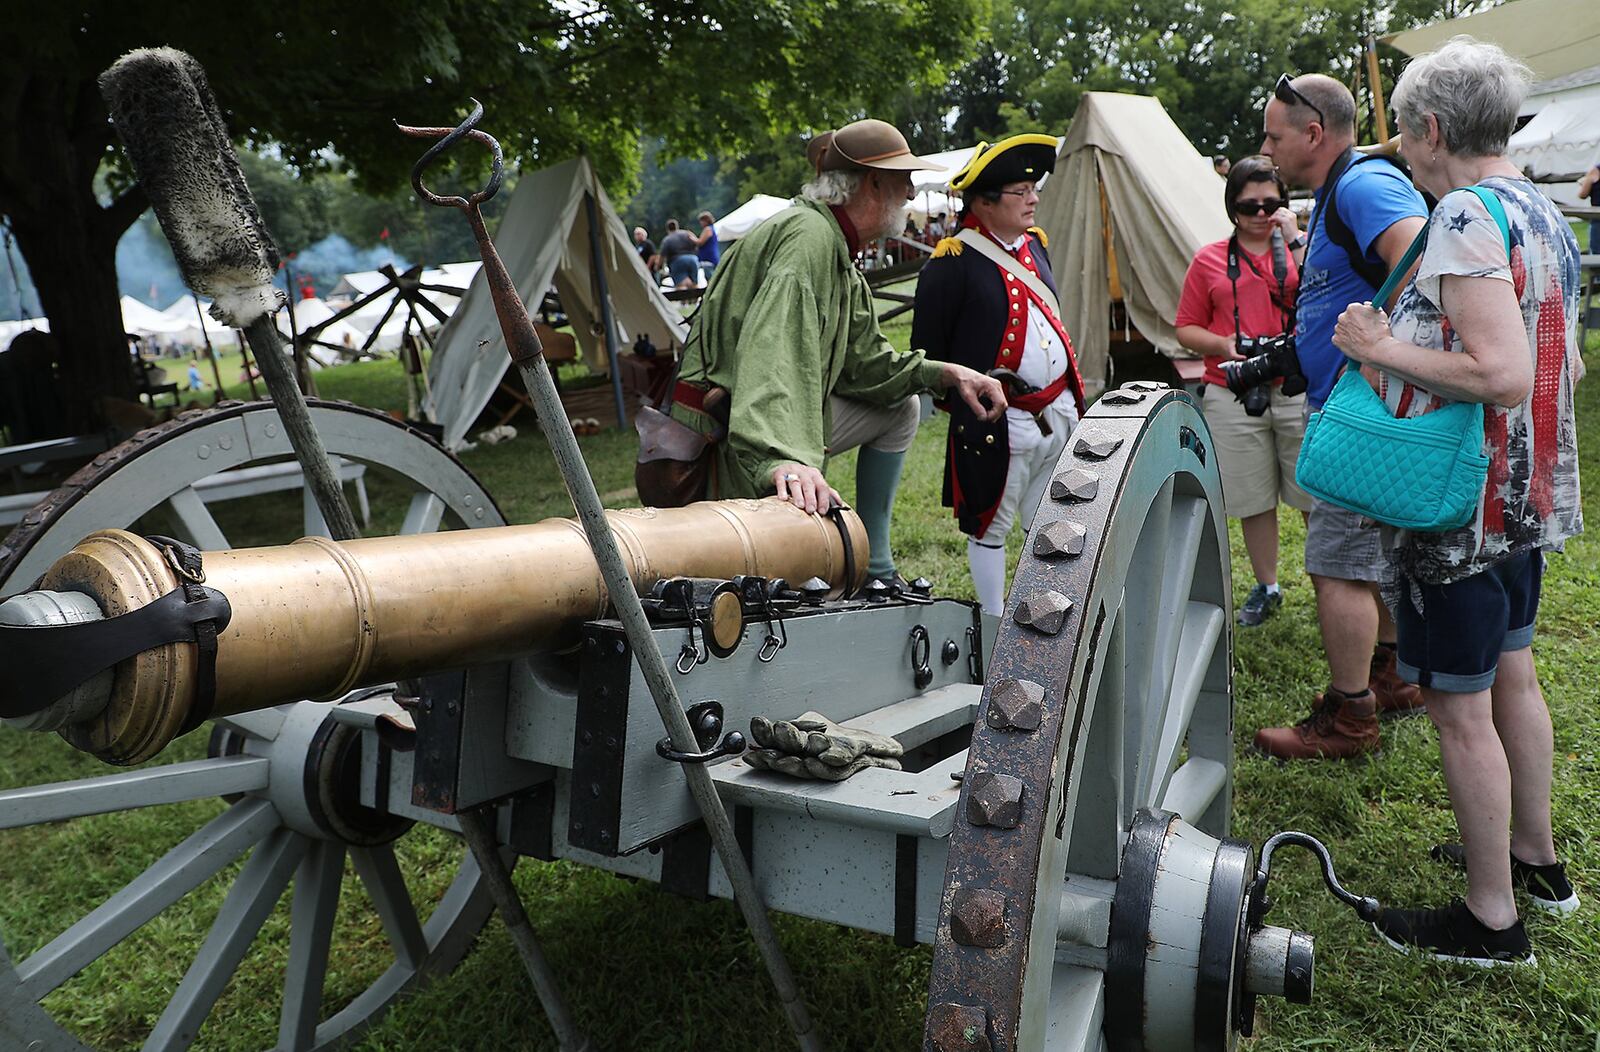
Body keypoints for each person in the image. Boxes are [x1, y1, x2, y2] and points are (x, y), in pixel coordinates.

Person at [1332, 37, 1582, 967]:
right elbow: (1560, 361)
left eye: (1401, 131)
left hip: (1463, 509)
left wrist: (1379, 346)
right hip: (1528, 502)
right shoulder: (1540, 209)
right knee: (1514, 675)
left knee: (1457, 706)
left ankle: (1489, 919)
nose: (1399, 147)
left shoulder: (1469, 216)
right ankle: (1533, 860)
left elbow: (1501, 372)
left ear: (1432, 128)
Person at [666, 118, 1007, 586]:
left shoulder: (833, 245)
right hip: (731, 440)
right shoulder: (809, 240)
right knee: (794, 591)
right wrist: (779, 458)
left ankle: (877, 570)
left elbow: (867, 365)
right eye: (903, 180)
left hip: (752, 422)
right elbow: (772, 356)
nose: (910, 195)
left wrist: (948, 373)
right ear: (873, 183)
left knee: (902, 408)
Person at [1252, 72, 1429, 759]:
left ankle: (1351, 716)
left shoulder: (1360, 186)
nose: (1265, 149)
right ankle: (1389, 676)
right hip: (1357, 407)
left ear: (1313, 133)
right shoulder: (1338, 194)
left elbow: (1420, 256)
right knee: (1367, 559)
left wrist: (1380, 360)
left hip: (1361, 414)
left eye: (1273, 135)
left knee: (1338, 568)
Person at [912, 134, 1086, 614]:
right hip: (1000, 421)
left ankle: (1046, 610)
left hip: (1056, 410)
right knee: (991, 526)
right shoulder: (952, 262)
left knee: (1051, 517)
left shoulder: (1035, 247)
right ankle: (992, 622)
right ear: (984, 201)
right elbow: (928, 353)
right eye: (1019, 191)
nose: (1033, 198)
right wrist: (969, 407)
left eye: (1033, 189)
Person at [1176, 156, 1310, 627]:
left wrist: (1294, 239)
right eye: (1248, 204)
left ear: (1284, 205)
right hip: (1233, 389)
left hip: (1296, 386)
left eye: (1270, 203)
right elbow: (1185, 329)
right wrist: (1222, 344)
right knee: (1253, 499)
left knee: (1315, 495)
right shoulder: (1209, 259)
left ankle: (1330, 584)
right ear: (1232, 206)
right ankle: (1268, 584)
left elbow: (1324, 294)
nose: (1259, 213)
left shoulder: (1302, 251)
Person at [660, 219, 699, 289]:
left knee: (681, 286)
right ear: (677, 226)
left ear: (667, 229)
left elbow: (662, 256)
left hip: (677, 261)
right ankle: (696, 299)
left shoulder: (667, 239)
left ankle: (684, 298)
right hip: (693, 259)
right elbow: (697, 244)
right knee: (694, 284)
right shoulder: (688, 233)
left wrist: (658, 266)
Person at [1578, 162, 1600, 254]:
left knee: (1596, 253)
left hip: (1598, 216)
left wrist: (1584, 182)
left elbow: (1582, 194)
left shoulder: (1595, 171)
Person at [694, 210, 721, 278]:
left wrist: (691, 237)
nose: (700, 223)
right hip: (710, 258)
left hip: (708, 259)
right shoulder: (712, 228)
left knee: (710, 279)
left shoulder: (708, 229)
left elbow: (700, 242)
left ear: (705, 220)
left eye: (701, 221)